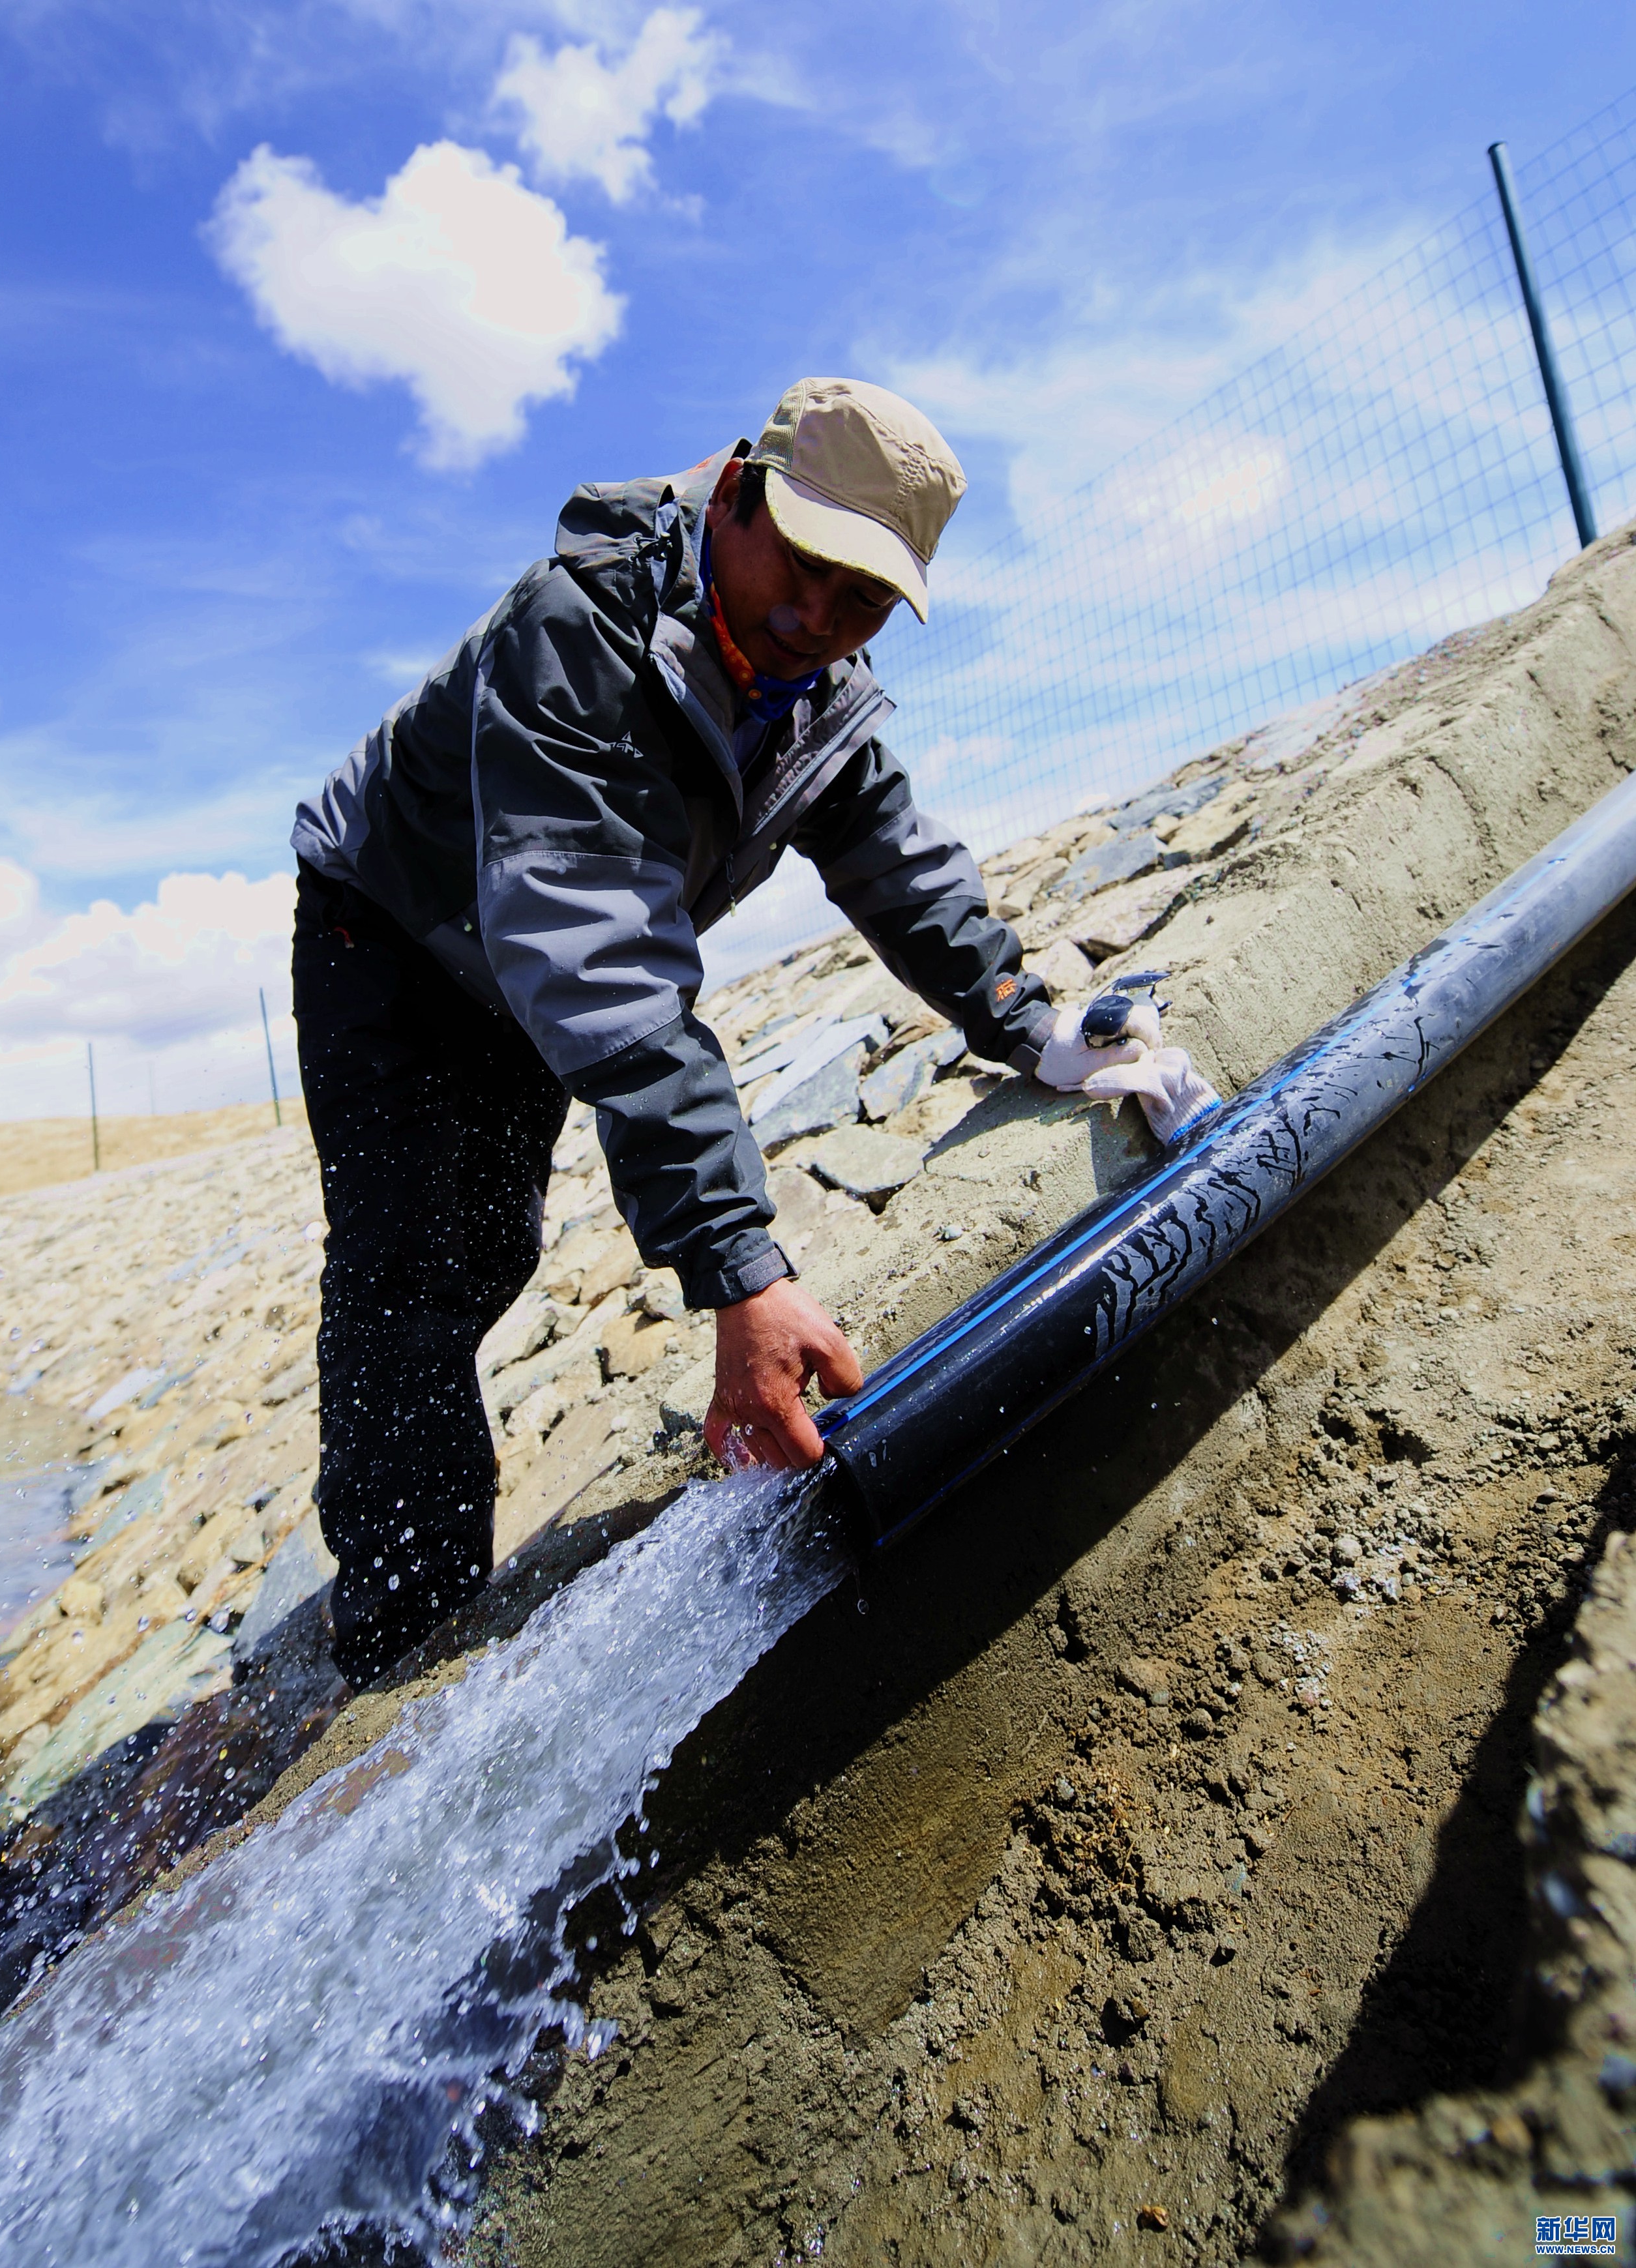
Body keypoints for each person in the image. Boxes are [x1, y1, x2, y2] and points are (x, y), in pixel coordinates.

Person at [290, 376, 1212, 1688]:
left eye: (863, 604)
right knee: (411, 1275)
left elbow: (897, 860)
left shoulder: (818, 686)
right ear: (737, 497)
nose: (812, 621)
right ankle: (393, 1643)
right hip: (392, 931)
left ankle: (420, 1565)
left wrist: (1036, 1028)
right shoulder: (579, 630)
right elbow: (600, 952)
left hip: (528, 964)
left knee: (486, 1244)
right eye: (806, 567)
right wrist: (741, 1269)